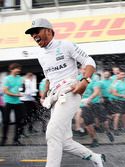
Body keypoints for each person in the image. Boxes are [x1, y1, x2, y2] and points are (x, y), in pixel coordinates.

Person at [25, 18, 105, 167]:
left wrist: (85, 81)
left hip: (70, 93)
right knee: (64, 141)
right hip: (55, 99)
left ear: (48, 31)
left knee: (52, 133)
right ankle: (95, 157)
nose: (34, 35)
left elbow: (89, 61)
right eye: (31, 34)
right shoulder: (41, 56)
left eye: (36, 31)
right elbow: (49, 77)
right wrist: (44, 93)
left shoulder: (65, 45)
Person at [0, 63, 25, 146]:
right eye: (17, 68)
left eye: (19, 68)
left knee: (19, 122)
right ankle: (3, 140)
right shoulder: (7, 79)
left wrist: (21, 92)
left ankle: (16, 140)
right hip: (8, 102)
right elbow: (5, 91)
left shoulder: (20, 78)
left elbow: (20, 88)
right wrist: (16, 95)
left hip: (18, 102)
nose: (19, 70)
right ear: (11, 69)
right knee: (6, 121)